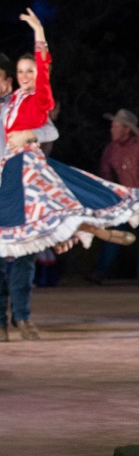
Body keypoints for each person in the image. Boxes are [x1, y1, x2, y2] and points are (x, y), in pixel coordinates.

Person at [1, 10, 139, 340]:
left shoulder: (39, 97)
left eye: (30, 71)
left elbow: (44, 111)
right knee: (19, 236)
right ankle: (5, 321)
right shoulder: (10, 102)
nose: (25, 75)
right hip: (8, 173)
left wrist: (39, 33)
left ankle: (102, 233)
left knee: (61, 207)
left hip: (28, 167)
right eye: (21, 70)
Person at [0, 50, 59, 341]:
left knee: (25, 254)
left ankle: (21, 317)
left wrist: (30, 135)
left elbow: (49, 130)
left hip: (23, 184)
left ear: (6, 80)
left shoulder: (18, 102)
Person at [91, 108, 139, 288]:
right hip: (124, 197)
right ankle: (101, 272)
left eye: (115, 126)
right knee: (114, 233)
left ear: (126, 129)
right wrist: (112, 193)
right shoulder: (111, 148)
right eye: (112, 126)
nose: (111, 129)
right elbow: (105, 171)